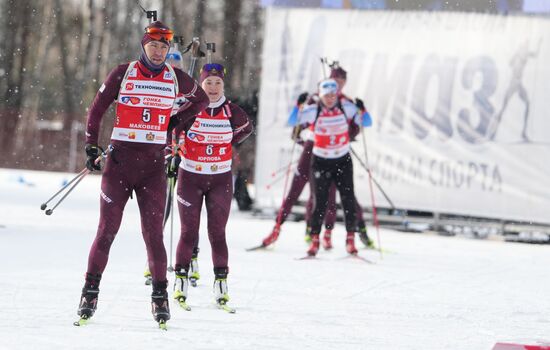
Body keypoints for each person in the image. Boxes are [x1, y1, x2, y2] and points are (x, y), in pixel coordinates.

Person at [76, 21, 209, 327]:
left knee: (153, 236)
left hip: (152, 169)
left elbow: (200, 100)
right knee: (107, 231)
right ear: (144, 46)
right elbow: (96, 110)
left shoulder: (175, 78)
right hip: (119, 164)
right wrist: (91, 148)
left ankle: (160, 298)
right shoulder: (123, 72)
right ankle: (89, 292)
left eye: (164, 47)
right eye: (154, 46)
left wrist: (174, 124)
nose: (159, 51)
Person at [169, 63, 253, 311]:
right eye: (208, 83)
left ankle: (221, 285)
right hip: (190, 177)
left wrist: (227, 145)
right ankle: (181, 282)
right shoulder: (191, 108)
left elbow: (246, 129)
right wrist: (175, 151)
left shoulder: (232, 111)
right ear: (201, 84)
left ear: (223, 85)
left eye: (217, 83)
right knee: (188, 232)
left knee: (217, 233)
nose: (213, 88)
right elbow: (172, 129)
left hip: (220, 179)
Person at [261, 66, 373, 249]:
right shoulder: (316, 99)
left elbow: (359, 124)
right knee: (299, 190)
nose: (337, 86)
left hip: (337, 150)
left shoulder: (346, 103)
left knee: (339, 195)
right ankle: (278, 229)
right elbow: (296, 125)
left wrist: (350, 133)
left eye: (341, 83)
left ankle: (341, 233)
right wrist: (298, 132)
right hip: (313, 149)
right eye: (335, 81)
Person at [296, 78, 362, 256]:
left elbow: (367, 122)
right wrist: (299, 106)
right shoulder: (313, 110)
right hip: (321, 161)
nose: (330, 98)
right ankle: (315, 240)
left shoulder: (346, 107)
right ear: (321, 96)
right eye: (327, 95)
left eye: (333, 94)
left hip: (342, 160)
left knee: (348, 200)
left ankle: (350, 239)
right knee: (320, 202)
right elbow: (293, 122)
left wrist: (362, 110)